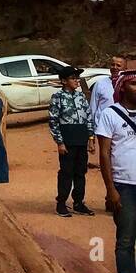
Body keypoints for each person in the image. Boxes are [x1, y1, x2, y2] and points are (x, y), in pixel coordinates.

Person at [95, 64, 136, 273]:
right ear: (123, 87)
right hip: (124, 185)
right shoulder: (110, 114)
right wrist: (110, 189)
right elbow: (104, 154)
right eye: (133, 83)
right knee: (126, 239)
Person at [49, 66, 95, 216]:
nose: (76, 81)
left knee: (80, 172)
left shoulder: (81, 97)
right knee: (66, 172)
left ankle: (78, 202)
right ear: (63, 81)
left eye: (77, 78)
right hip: (67, 140)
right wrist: (60, 142)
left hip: (81, 139)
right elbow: (54, 121)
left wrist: (90, 138)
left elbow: (88, 117)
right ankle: (61, 203)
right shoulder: (58, 97)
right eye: (73, 78)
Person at [89, 56, 124, 133]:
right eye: (112, 65)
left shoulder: (128, 85)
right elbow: (93, 107)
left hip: (123, 126)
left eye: (118, 65)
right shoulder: (100, 83)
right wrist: (92, 130)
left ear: (125, 68)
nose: (115, 67)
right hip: (103, 127)